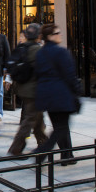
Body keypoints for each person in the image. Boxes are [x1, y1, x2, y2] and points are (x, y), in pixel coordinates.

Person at [33, 24, 79, 165]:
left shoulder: (40, 53)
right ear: (49, 36)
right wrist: (77, 91)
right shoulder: (61, 52)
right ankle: (43, 151)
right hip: (61, 95)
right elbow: (70, 75)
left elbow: (37, 74)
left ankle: (66, 155)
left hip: (47, 96)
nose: (60, 34)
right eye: (57, 33)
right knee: (61, 127)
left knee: (60, 126)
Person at [7, 24, 47, 156]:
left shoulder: (22, 47)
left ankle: (43, 143)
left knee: (38, 118)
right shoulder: (36, 50)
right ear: (38, 36)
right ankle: (16, 148)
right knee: (30, 119)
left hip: (23, 88)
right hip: (33, 91)